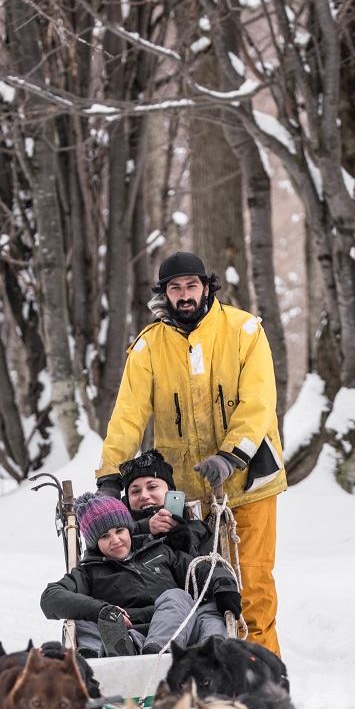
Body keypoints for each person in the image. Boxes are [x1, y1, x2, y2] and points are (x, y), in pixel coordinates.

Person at [96, 251, 286, 657]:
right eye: (175, 287)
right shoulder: (148, 347)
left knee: (251, 587)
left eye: (191, 286)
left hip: (247, 481)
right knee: (191, 585)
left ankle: (263, 676)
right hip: (183, 492)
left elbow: (258, 402)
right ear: (164, 293)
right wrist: (110, 476)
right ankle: (202, 675)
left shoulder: (244, 330)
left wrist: (230, 456)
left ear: (206, 286)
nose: (184, 295)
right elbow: (128, 414)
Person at [40, 491, 241, 658]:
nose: (116, 540)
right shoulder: (89, 571)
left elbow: (204, 569)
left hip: (174, 629)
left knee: (181, 597)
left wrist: (225, 587)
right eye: (105, 536)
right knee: (83, 614)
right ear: (94, 543)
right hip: (129, 633)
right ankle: (107, 658)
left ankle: (172, 654)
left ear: (129, 529)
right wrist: (101, 609)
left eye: (119, 531)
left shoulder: (160, 552)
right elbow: (50, 597)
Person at [120, 448, 214, 559]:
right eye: (135, 491)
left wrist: (186, 550)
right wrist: (145, 528)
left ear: (171, 491)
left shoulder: (201, 531)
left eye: (152, 487)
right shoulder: (116, 537)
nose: (144, 496)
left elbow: (214, 571)